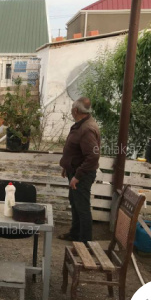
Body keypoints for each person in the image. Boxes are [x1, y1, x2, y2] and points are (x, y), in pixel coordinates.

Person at [58, 97, 101, 242]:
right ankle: (75, 234)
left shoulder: (87, 129)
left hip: (82, 175)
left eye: (72, 108)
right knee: (75, 204)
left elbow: (93, 156)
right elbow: (76, 151)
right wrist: (67, 167)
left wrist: (77, 176)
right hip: (75, 171)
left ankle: (84, 243)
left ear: (75, 110)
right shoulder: (80, 125)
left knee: (82, 208)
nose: (71, 110)